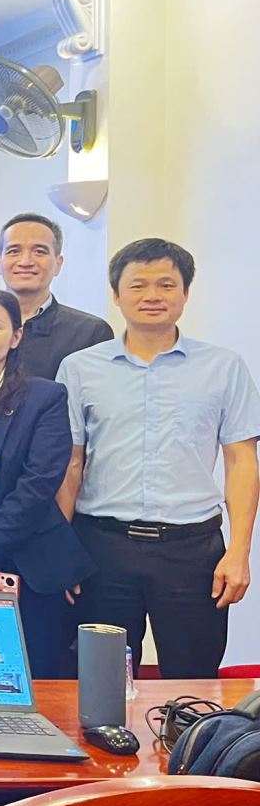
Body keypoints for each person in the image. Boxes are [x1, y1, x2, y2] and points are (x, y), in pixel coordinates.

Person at [58, 239, 260, 679]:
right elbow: (71, 464)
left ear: (185, 293)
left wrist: (240, 551)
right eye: (138, 285)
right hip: (102, 546)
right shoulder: (79, 368)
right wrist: (62, 551)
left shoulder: (224, 367)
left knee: (193, 682)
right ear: (117, 295)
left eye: (166, 285)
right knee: (101, 682)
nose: (153, 295)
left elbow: (241, 460)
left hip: (192, 549)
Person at [0, 287, 91, 678]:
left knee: (33, 674)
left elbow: (38, 485)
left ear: (16, 336)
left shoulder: (44, 397)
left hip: (27, 548)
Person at [0, 213, 113, 380]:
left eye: (39, 251)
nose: (25, 262)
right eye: (14, 251)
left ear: (58, 264)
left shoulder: (90, 333)